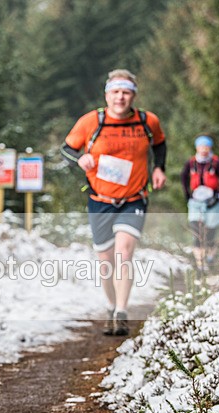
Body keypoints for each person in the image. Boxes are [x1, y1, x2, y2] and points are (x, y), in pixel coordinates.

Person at [60, 69, 167, 336]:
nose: (120, 97)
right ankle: (110, 305)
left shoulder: (147, 121)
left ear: (134, 96)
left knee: (124, 253)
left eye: (126, 92)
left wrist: (159, 168)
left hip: (134, 199)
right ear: (107, 95)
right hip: (100, 200)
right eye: (116, 92)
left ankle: (121, 311)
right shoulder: (91, 122)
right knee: (106, 262)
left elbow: (160, 144)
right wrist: (80, 159)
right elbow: (67, 149)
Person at [180, 135, 219, 272]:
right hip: (196, 202)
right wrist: (187, 194)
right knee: (197, 232)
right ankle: (200, 265)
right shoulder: (191, 163)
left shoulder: (216, 163)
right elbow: (183, 177)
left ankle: (210, 258)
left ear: (210, 148)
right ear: (197, 148)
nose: (203, 150)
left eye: (206, 147)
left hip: (212, 202)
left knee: (211, 233)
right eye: (201, 147)